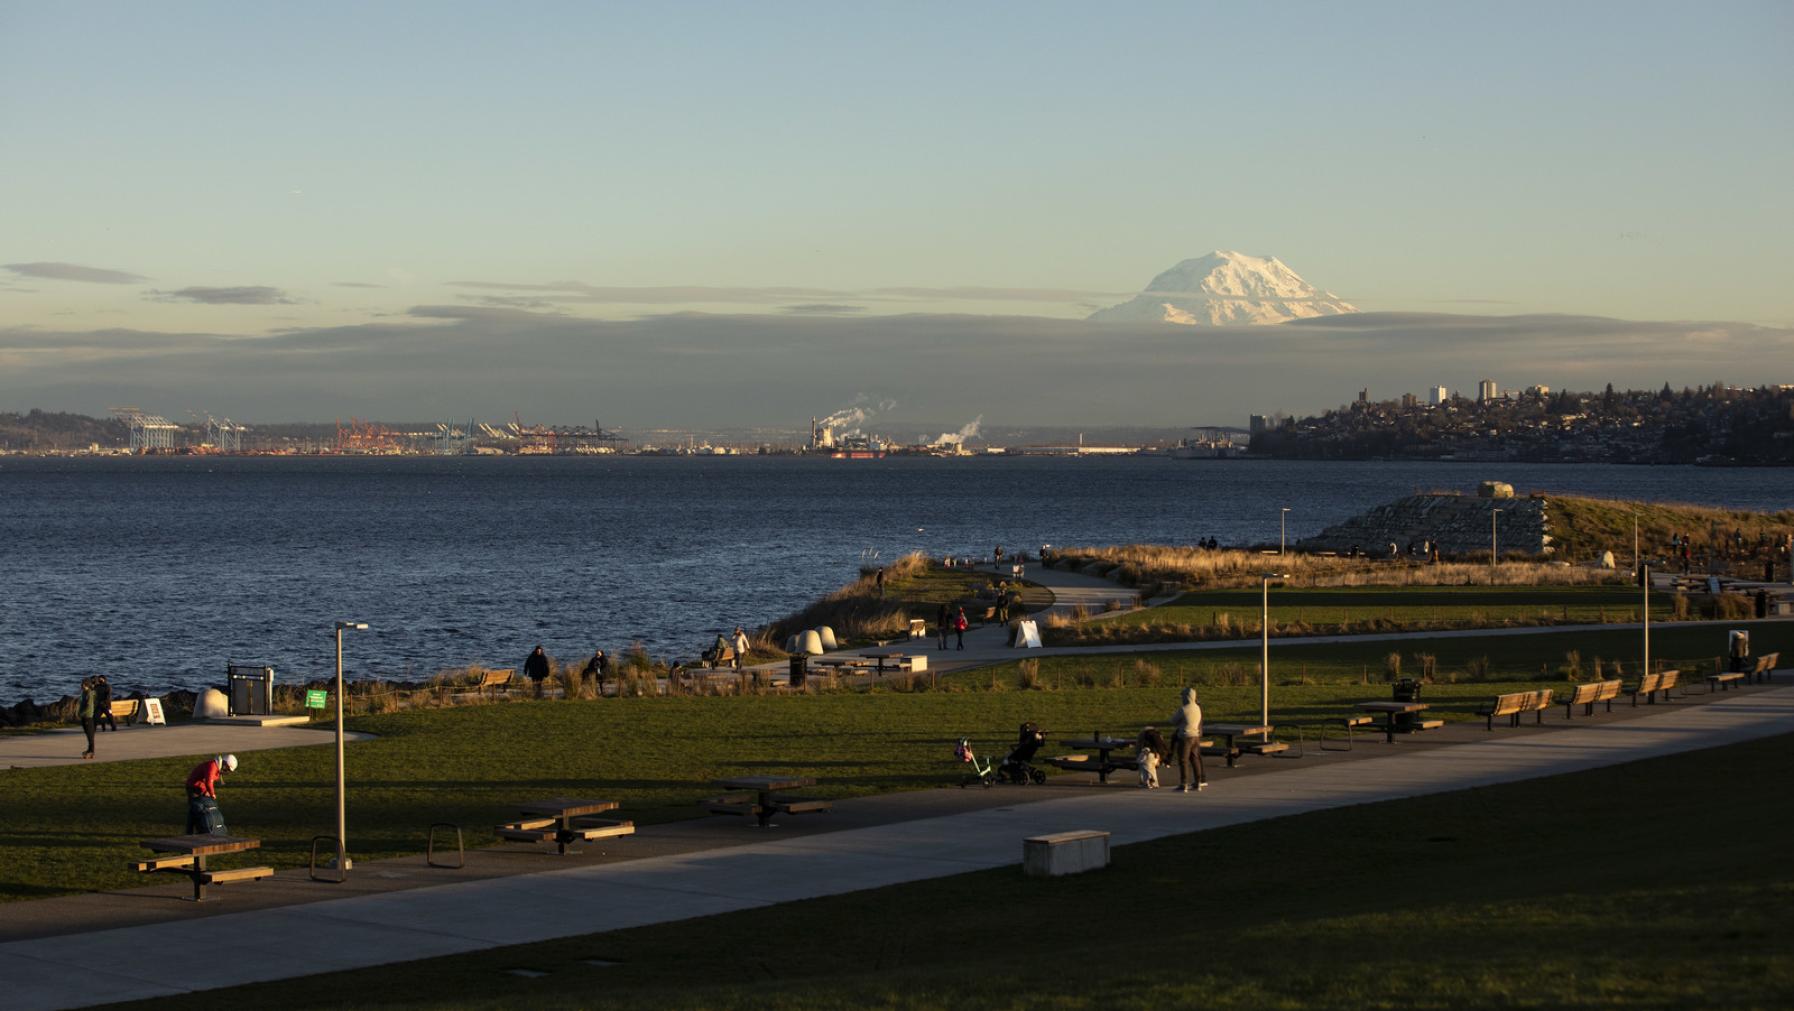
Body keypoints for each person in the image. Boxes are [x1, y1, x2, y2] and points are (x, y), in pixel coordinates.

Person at [185, 754, 237, 833]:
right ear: (224, 764)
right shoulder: (213, 766)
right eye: (228, 768)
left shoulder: (216, 767)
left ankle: (200, 829)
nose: (227, 771)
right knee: (195, 809)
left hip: (200, 788)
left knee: (199, 810)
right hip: (194, 788)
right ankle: (190, 832)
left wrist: (206, 791)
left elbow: (205, 780)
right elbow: (209, 782)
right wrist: (212, 794)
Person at [1169, 686, 1206, 793]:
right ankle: (1197, 782)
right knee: (1195, 759)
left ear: (1187, 697)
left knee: (1183, 760)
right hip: (1196, 737)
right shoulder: (1197, 708)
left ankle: (1183, 783)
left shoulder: (1184, 709)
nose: (1182, 699)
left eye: (1183, 697)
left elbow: (1172, 721)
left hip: (1185, 737)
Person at [78, 677, 97, 759]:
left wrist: (82, 713)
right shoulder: (84, 692)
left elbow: (89, 706)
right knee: (88, 734)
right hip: (84, 716)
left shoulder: (89, 693)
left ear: (86, 685)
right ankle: (89, 750)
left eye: (82, 683)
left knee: (90, 735)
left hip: (87, 716)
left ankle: (91, 751)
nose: (81, 685)